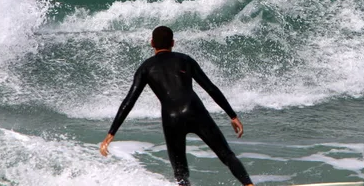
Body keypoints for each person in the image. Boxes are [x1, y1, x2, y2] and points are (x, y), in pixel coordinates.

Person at [100, 26, 254, 186]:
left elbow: (129, 101)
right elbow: (210, 88)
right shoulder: (185, 60)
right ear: (173, 42)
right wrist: (232, 115)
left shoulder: (145, 67)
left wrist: (111, 134)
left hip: (171, 118)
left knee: (181, 174)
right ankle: (249, 185)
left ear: (152, 43)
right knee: (227, 155)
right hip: (195, 110)